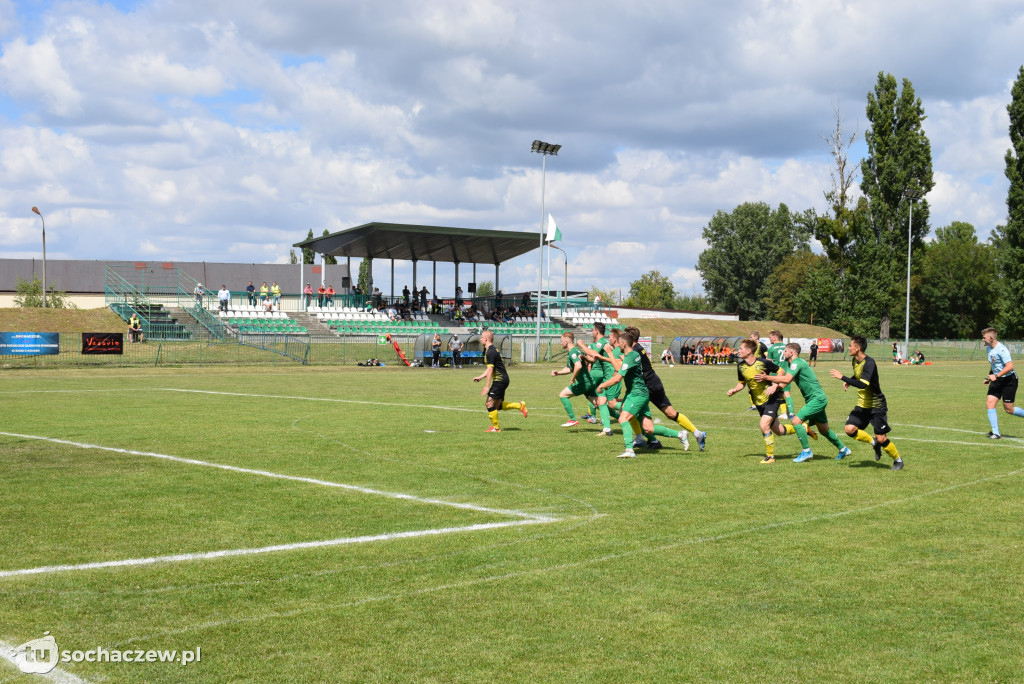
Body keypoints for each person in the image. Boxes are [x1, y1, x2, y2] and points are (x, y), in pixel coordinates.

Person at [596, 330, 687, 458]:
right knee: (648, 428)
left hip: (637, 394)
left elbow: (617, 377)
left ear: (623, 344)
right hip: (637, 393)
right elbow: (621, 367)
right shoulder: (632, 355)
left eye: (619, 344)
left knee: (623, 418)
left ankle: (629, 450)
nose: (617, 346)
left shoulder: (630, 357)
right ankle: (680, 434)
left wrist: (601, 385)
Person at [755, 343, 850, 463]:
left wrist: (767, 378)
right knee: (824, 430)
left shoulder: (796, 362)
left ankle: (806, 451)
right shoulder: (793, 364)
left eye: (785, 351)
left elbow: (787, 379)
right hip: (815, 399)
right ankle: (843, 449)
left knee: (796, 421)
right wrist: (774, 388)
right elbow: (785, 383)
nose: (783, 353)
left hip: (817, 399)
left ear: (791, 353)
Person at [729, 338, 813, 463]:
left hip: (771, 400)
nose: (738, 351)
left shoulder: (763, 362)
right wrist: (735, 390)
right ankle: (803, 427)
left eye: (741, 349)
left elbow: (781, 371)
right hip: (758, 402)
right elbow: (742, 383)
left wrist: (774, 385)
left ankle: (770, 457)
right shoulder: (741, 366)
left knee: (763, 425)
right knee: (779, 431)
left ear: (748, 351)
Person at [624, 325, 706, 451]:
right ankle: (697, 433)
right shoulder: (638, 349)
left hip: (647, 387)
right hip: (653, 383)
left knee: (628, 411)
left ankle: (644, 439)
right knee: (670, 413)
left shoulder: (634, 351)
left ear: (629, 338)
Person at [829, 335, 904, 470]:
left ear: (857, 348)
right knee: (849, 429)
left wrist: (842, 377)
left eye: (851, 346)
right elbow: (860, 376)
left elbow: (863, 384)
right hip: (862, 405)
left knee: (882, 438)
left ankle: (898, 460)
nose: (849, 348)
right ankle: (873, 442)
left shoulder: (869, 362)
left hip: (876, 406)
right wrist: (850, 381)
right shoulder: (854, 360)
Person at [473, 330, 527, 432]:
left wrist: (487, 385)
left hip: (500, 380)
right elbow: (490, 368)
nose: (480, 339)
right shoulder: (492, 350)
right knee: (496, 406)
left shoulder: (491, 351)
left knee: (489, 404)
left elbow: (490, 369)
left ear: (485, 339)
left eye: (481, 337)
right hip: (503, 379)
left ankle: (496, 428)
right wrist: (480, 377)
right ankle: (520, 406)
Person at [981, 327, 1024, 439]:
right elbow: (994, 365)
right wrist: (989, 377)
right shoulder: (989, 349)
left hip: (1009, 380)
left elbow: (1010, 366)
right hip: (997, 379)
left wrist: (995, 376)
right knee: (990, 403)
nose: (983, 340)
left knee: (1009, 409)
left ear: (990, 338)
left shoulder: (1002, 349)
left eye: (984, 338)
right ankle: (996, 433)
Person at [577, 322, 618, 437]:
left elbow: (594, 353)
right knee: (602, 401)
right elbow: (594, 359)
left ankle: (629, 413)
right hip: (606, 375)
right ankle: (609, 427)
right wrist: (584, 357)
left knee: (607, 401)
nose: (592, 332)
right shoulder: (600, 343)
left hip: (610, 374)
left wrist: (581, 345)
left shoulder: (602, 342)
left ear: (597, 331)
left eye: (593, 330)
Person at [552, 331, 599, 427]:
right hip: (589, 382)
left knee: (563, 395)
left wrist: (572, 379)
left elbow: (578, 366)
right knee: (599, 403)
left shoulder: (573, 352)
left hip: (584, 383)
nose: (561, 343)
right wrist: (558, 373)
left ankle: (572, 419)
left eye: (561, 341)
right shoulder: (575, 351)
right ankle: (619, 414)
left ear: (566, 341)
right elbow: (570, 368)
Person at [766, 330, 794, 420]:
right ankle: (789, 413)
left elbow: (768, 363)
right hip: (787, 373)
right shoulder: (787, 347)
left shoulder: (771, 349)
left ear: (774, 338)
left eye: (770, 337)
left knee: (774, 393)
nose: (769, 339)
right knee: (785, 393)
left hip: (776, 374)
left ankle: (775, 412)